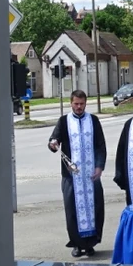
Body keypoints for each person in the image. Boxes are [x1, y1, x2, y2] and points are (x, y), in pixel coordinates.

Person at [49, 90, 107, 257]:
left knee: (94, 208)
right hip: (71, 176)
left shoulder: (93, 121)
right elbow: (54, 140)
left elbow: (101, 146)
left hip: (91, 176)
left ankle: (90, 244)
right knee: (72, 209)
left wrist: (99, 167)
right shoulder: (63, 121)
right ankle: (76, 244)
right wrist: (53, 144)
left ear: (86, 103)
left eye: (82, 104)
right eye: (76, 104)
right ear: (71, 103)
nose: (79, 107)